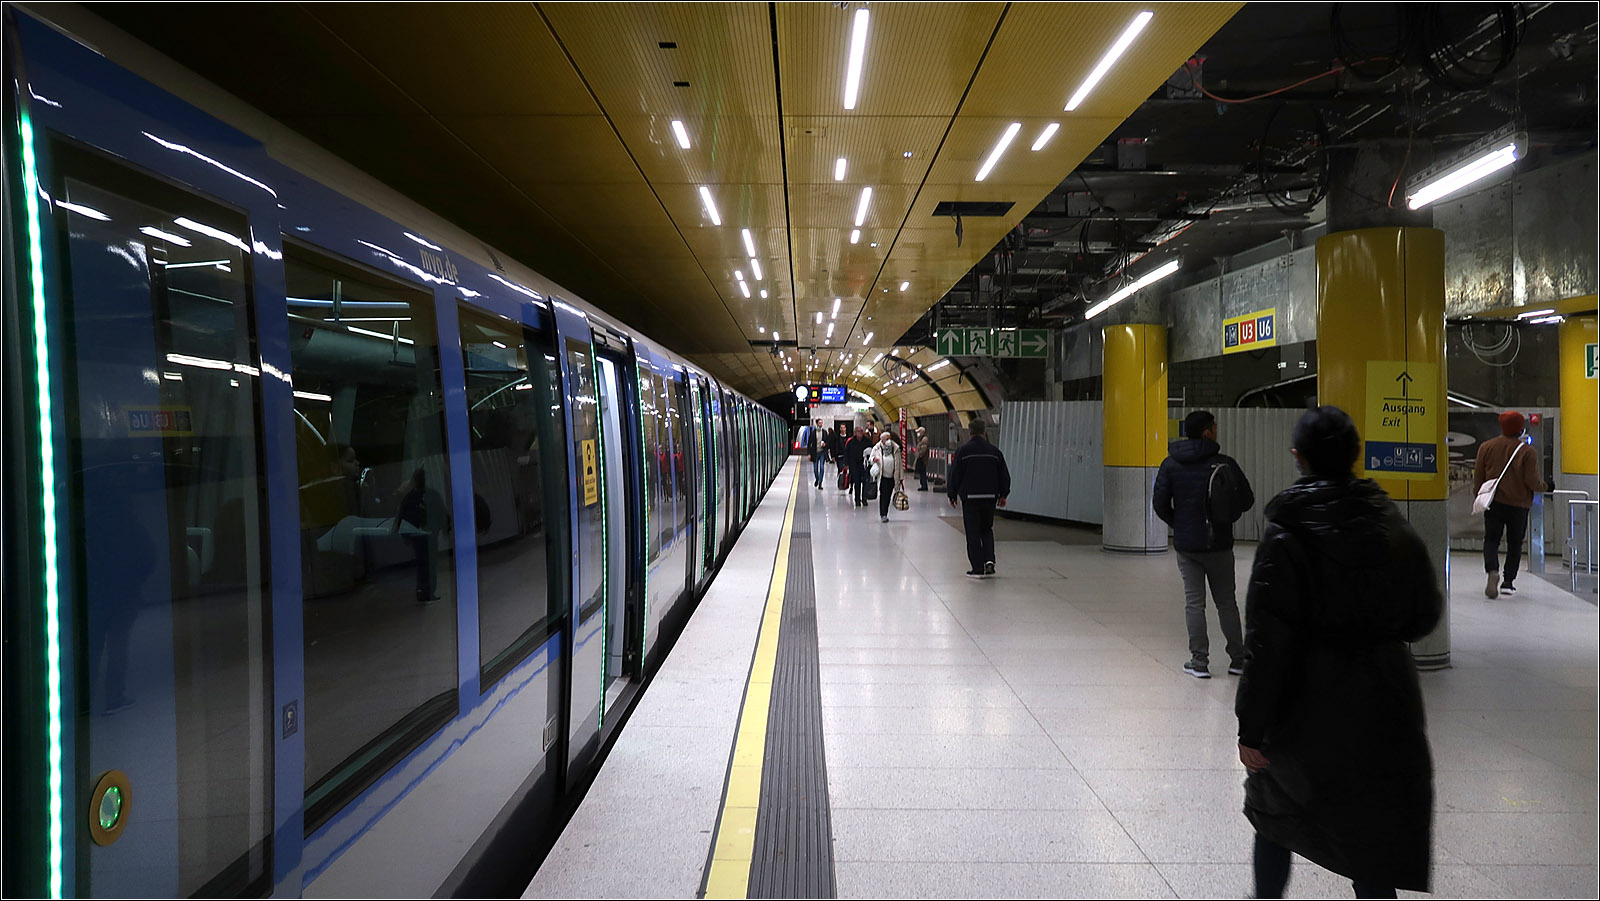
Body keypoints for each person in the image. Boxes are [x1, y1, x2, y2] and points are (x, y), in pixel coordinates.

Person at [1236, 405, 1441, 899]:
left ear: (1297, 458)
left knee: (1275, 814)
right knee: (1372, 830)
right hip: (1385, 699)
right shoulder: (1392, 525)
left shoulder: (1286, 534)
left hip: (1305, 703)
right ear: (1356, 455)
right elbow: (1424, 616)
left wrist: (1252, 728)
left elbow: (1268, 641)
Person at [1153, 410, 1254, 679]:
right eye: (1215, 427)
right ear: (1208, 432)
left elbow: (1159, 504)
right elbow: (1247, 500)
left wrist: (1180, 524)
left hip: (1187, 547)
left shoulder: (1170, 464)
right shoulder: (1225, 464)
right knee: (1226, 602)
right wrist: (1225, 517)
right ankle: (1238, 659)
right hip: (1219, 544)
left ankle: (1200, 662)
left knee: (1194, 602)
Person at [1472, 410, 1548, 597]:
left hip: (1494, 502)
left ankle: (1492, 571)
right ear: (1520, 428)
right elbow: (1532, 481)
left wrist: (1479, 496)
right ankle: (1508, 582)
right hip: (1518, 506)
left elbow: (1479, 477)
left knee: (1491, 540)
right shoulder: (1527, 452)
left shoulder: (1486, 447)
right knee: (1515, 544)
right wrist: (1546, 486)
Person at [947, 416, 1010, 578]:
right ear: (984, 432)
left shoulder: (963, 451)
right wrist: (1003, 494)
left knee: (973, 532)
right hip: (990, 497)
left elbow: (955, 474)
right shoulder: (994, 452)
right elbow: (1004, 475)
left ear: (970, 432)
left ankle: (977, 567)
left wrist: (952, 494)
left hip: (970, 497)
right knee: (987, 529)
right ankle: (989, 561)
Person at [869, 429, 902, 523]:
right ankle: (883, 514)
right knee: (883, 495)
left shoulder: (895, 449)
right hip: (882, 476)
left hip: (892, 476)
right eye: (886, 439)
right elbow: (870, 458)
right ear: (882, 440)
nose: (888, 441)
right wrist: (874, 459)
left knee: (888, 495)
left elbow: (899, 464)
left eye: (889, 438)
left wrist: (901, 477)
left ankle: (885, 512)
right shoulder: (877, 448)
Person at [844, 426, 870, 507]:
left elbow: (872, 451)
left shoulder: (867, 441)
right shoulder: (851, 442)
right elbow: (847, 453)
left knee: (865, 482)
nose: (860, 433)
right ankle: (857, 499)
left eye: (861, 431)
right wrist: (847, 464)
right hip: (854, 466)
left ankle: (864, 498)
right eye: (858, 431)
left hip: (865, 465)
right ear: (855, 433)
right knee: (857, 482)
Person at [807, 418, 830, 490]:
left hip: (822, 452)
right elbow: (809, 443)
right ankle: (817, 478)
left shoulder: (825, 432)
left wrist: (825, 444)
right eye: (819, 423)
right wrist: (809, 453)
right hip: (815, 452)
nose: (821, 424)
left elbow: (828, 442)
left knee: (822, 468)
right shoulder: (813, 433)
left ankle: (820, 483)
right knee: (815, 468)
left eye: (821, 423)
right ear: (817, 424)